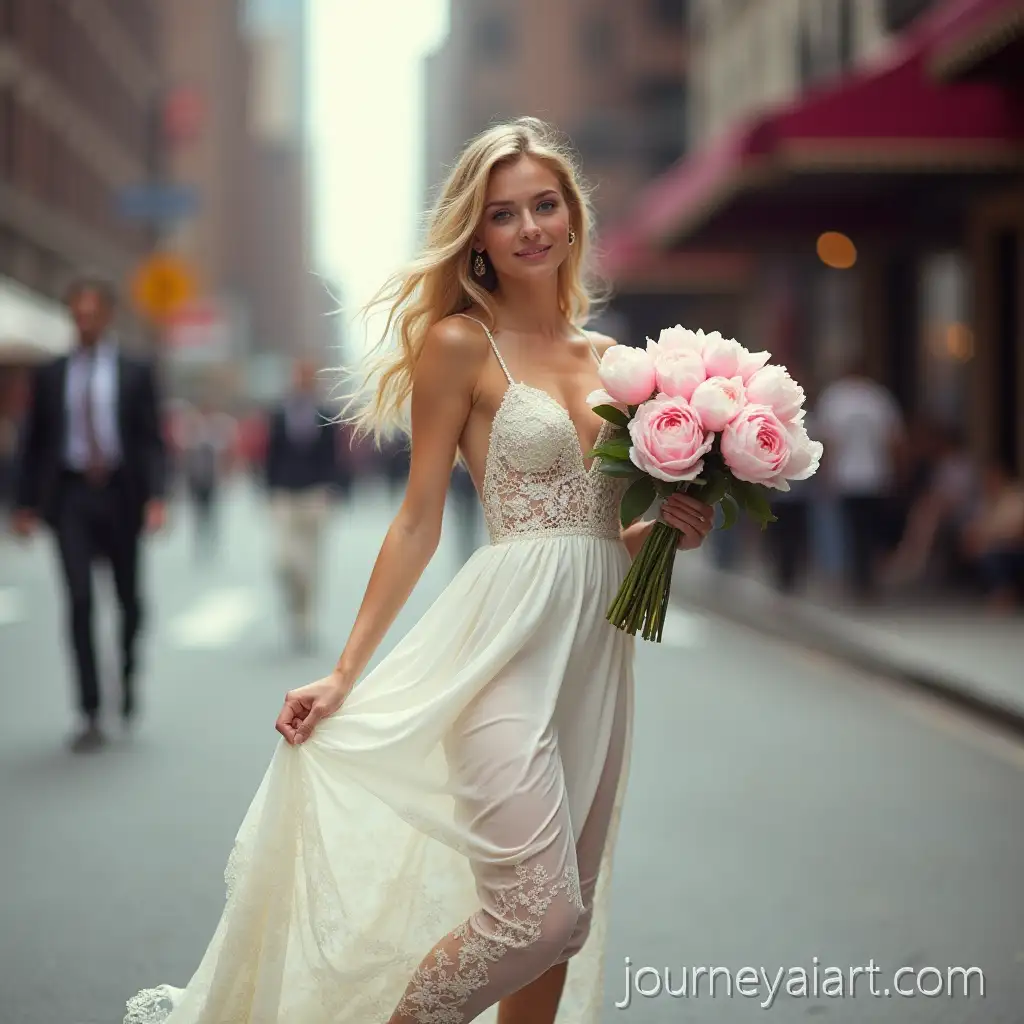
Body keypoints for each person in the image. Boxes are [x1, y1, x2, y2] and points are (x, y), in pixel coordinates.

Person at [123, 118, 713, 1024]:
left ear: (572, 215)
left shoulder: (617, 366)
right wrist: (346, 669)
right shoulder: (459, 344)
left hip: (595, 660)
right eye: (502, 213)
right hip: (500, 654)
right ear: (475, 234)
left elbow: (604, 535)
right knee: (535, 912)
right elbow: (415, 521)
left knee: (564, 926)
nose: (528, 228)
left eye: (543, 205)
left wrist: (672, 527)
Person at [10, 276, 167, 752]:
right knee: (78, 600)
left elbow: (149, 440)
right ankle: (89, 710)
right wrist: (23, 504)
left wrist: (156, 497)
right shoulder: (50, 373)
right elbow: (32, 442)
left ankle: (126, 674)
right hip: (71, 497)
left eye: (91, 313)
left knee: (128, 600)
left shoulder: (136, 370)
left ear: (108, 316)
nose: (84, 322)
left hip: (121, 494)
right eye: (76, 315)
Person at [263, 357, 342, 652]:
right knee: (283, 561)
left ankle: (306, 619)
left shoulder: (326, 413)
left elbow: (334, 457)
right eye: (299, 375)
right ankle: (293, 607)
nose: (303, 381)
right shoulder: (278, 412)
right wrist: (268, 491)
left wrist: (334, 489)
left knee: (311, 564)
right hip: (283, 495)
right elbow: (269, 454)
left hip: (316, 495)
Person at [815, 358, 904, 599]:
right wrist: (894, 472)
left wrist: (826, 472)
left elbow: (828, 442)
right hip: (874, 475)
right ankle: (866, 578)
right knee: (870, 530)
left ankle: (856, 577)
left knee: (852, 530)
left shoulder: (835, 398)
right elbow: (892, 441)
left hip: (847, 477)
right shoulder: (879, 398)